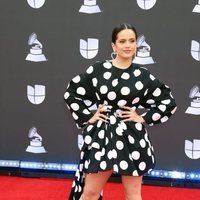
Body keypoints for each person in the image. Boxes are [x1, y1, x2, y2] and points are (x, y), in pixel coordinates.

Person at [64, 23, 177, 200]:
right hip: (103, 135)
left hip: (131, 136)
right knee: (90, 192)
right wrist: (89, 116)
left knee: (133, 194)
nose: (128, 45)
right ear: (113, 45)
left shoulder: (142, 75)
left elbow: (168, 101)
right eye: (122, 41)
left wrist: (142, 117)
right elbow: (71, 92)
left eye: (132, 40)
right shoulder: (98, 69)